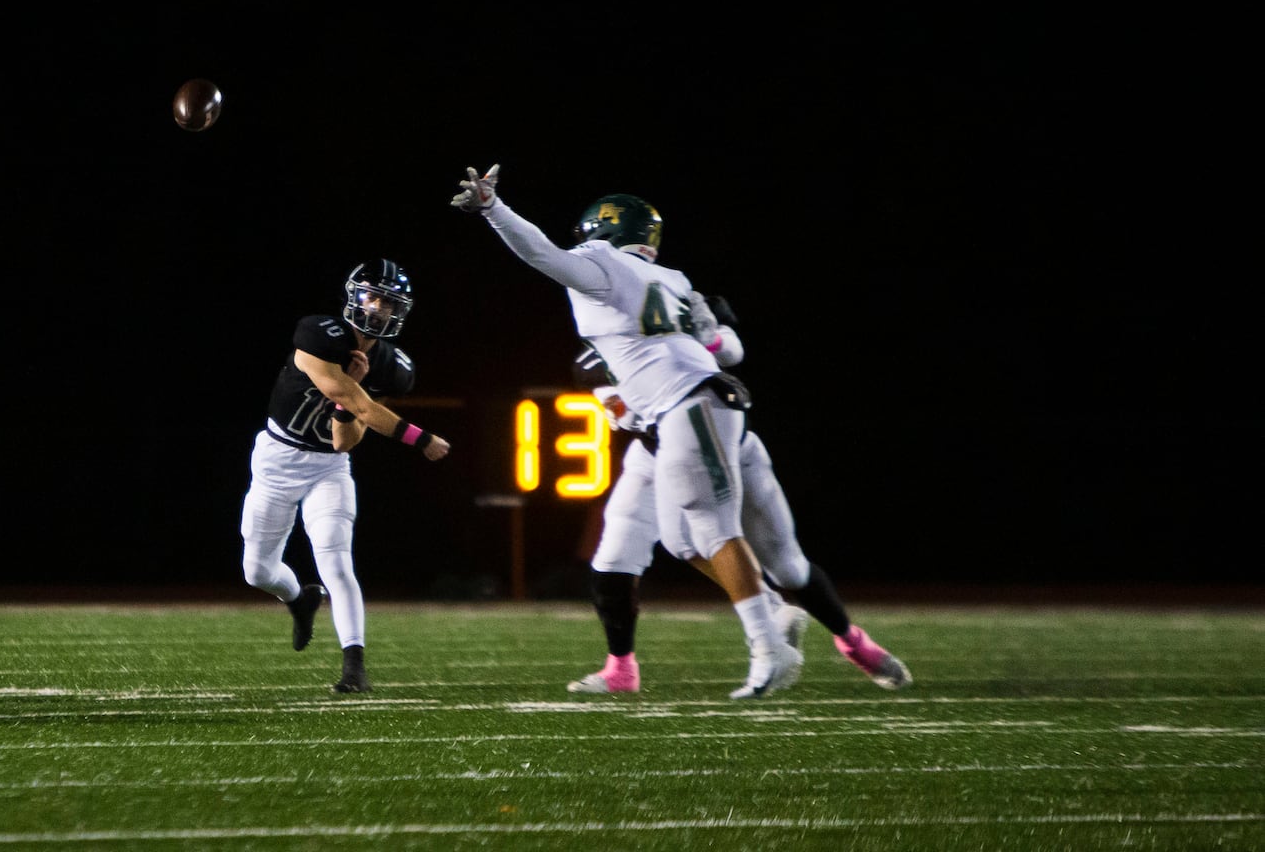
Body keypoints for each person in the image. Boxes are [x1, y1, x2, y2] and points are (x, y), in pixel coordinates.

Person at [452, 165, 801, 699]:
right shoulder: (673, 279)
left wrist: (494, 210)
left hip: (690, 402)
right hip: (685, 406)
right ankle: (768, 616)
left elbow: (542, 254)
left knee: (710, 528)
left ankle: (769, 642)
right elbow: (725, 350)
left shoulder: (603, 262)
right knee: (684, 539)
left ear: (602, 232)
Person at [566, 295, 912, 694]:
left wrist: (708, 339)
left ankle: (853, 643)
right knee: (622, 556)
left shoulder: (676, 306)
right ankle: (622, 669)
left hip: (724, 444)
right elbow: (617, 405)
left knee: (786, 566)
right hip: (653, 453)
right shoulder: (599, 344)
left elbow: (730, 350)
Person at [238, 258, 451, 693]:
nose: (379, 309)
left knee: (336, 560)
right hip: (278, 459)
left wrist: (345, 406)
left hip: (328, 467)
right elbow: (360, 404)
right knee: (257, 572)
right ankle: (300, 598)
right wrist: (420, 437)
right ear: (354, 295)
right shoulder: (318, 335)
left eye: (390, 304)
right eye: (373, 296)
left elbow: (345, 440)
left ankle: (354, 667)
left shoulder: (391, 366)